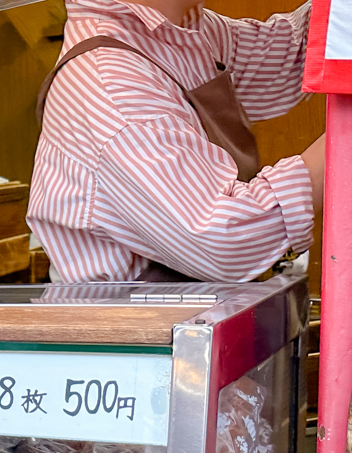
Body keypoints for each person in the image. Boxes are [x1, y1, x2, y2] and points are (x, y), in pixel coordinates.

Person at [30, 0, 325, 283]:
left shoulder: (175, 33)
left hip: (197, 318)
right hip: (140, 328)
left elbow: (288, 55)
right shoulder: (113, 84)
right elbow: (222, 242)